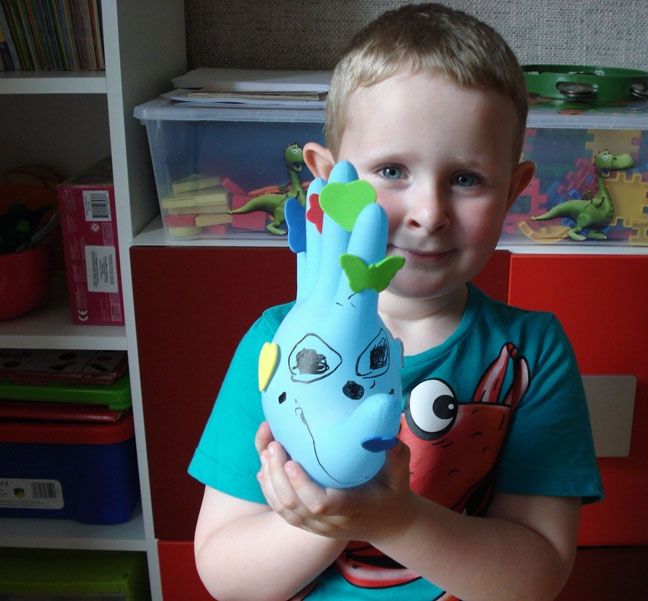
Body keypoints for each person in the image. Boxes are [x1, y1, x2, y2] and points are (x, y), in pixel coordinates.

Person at [188, 4, 603, 601]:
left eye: (466, 178)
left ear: (513, 190)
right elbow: (227, 577)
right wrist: (331, 515)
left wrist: (394, 520)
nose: (430, 213)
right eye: (391, 170)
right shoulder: (275, 343)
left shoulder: (531, 353)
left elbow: (535, 577)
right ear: (329, 182)